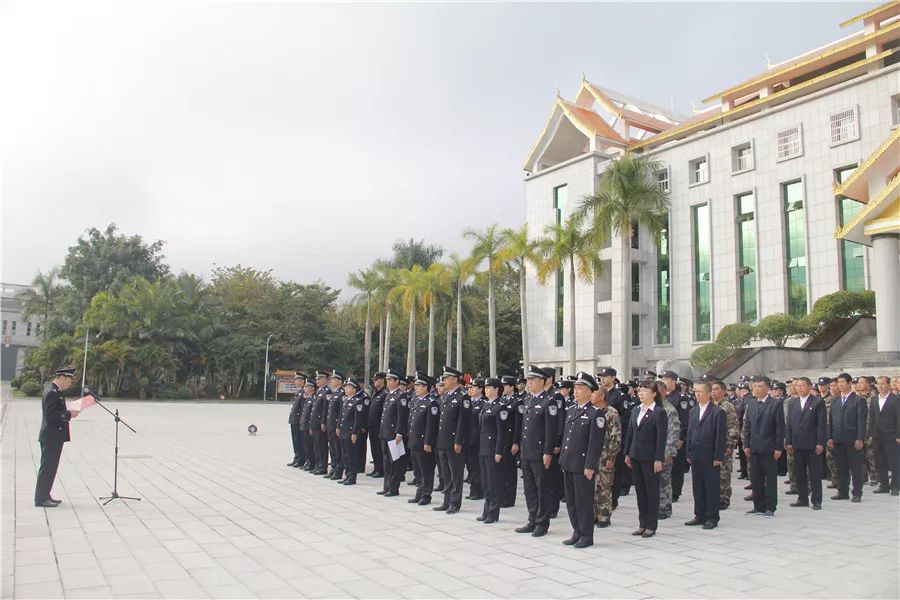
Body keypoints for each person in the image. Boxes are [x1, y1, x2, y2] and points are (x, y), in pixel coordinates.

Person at [560, 372, 606, 548]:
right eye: (575, 389)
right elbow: (567, 437)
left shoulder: (596, 414)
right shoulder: (571, 410)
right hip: (569, 462)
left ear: (589, 392)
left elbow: (595, 443)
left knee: (583, 502)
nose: (576, 392)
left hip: (583, 465)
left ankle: (587, 536)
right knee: (571, 501)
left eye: (580, 389)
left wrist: (590, 465)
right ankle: (576, 531)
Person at [516, 366, 557, 537]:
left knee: (542, 489)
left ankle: (542, 523)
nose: (529, 383)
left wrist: (547, 452)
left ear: (541, 381)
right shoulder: (528, 400)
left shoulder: (549, 401)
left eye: (532, 380)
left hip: (540, 453)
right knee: (529, 488)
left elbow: (551, 430)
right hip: (527, 451)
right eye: (529, 380)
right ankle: (532, 519)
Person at [624, 379, 667, 538]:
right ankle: (642, 523)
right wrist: (627, 452)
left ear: (654, 394)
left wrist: (658, 458)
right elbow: (630, 432)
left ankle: (651, 525)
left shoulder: (659, 412)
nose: (641, 393)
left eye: (645, 391)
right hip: (635, 456)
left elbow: (661, 438)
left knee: (651, 491)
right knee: (640, 491)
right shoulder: (636, 410)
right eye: (640, 391)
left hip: (650, 458)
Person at [35, 367, 80, 507]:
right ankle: (41, 499)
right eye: (68, 381)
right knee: (47, 467)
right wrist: (68, 415)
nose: (69, 385)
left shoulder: (56, 391)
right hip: (50, 436)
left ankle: (45, 495)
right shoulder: (52, 392)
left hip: (55, 436)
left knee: (51, 467)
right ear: (61, 377)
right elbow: (51, 415)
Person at [684, 381, 726, 529]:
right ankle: (699, 515)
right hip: (696, 454)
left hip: (710, 456)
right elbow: (689, 433)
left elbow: (720, 436)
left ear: (709, 394)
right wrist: (688, 452)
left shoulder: (717, 412)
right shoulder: (693, 411)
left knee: (711, 487)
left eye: (700, 392)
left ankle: (712, 517)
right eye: (695, 392)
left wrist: (718, 456)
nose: (697, 394)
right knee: (698, 487)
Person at [743, 375, 784, 517]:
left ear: (767, 388)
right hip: (754, 447)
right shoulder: (752, 404)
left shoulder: (775, 404)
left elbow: (779, 428)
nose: (756, 389)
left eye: (760, 386)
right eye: (755, 386)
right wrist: (746, 444)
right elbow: (747, 426)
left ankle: (770, 507)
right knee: (756, 478)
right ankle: (758, 505)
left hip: (769, 447)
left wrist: (779, 447)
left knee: (770, 479)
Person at [785, 377, 826, 510]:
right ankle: (802, 498)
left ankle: (817, 500)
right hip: (797, 444)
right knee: (799, 473)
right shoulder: (793, 403)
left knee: (814, 474)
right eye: (798, 386)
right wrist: (789, 441)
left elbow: (821, 424)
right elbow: (789, 424)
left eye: (802, 386)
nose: (799, 388)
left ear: (809, 387)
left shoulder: (817, 401)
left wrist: (820, 442)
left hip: (812, 444)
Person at [434, 366, 469, 514]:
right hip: (442, 441)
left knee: (456, 473)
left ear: (455, 379)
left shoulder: (463, 397)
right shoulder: (445, 396)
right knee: (445, 473)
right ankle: (447, 500)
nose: (444, 381)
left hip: (454, 442)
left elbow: (463, 422)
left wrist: (458, 441)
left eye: (447, 378)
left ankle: (455, 503)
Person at [829, 372, 868, 503]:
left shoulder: (858, 400)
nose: (839, 385)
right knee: (841, 467)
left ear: (850, 383)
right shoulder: (834, 401)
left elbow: (861, 421)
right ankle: (842, 491)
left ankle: (857, 493)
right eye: (838, 383)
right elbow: (831, 420)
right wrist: (830, 437)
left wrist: (860, 438)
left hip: (853, 439)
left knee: (856, 467)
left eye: (842, 382)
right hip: (838, 439)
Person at [477, 378, 509, 524]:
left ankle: (493, 513)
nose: (486, 390)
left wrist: (499, 451)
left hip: (492, 449)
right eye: (485, 387)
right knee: (485, 482)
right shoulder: (486, 406)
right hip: (483, 448)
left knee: (493, 482)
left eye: (489, 387)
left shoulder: (500, 407)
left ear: (497, 389)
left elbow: (502, 433)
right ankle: (486, 510)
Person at [591, 386, 620, 528]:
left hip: (605, 456)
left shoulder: (611, 413)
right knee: (593, 486)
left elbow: (615, 437)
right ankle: (595, 514)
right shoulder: (592, 411)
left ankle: (604, 516)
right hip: (592, 456)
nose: (591, 395)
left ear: (602, 396)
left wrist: (611, 457)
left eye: (594, 393)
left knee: (604, 486)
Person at [408, 373, 439, 505]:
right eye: (415, 385)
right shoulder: (416, 400)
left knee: (426, 470)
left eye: (418, 385)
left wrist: (427, 442)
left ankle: (426, 494)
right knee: (417, 470)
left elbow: (431, 425)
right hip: (414, 441)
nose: (416, 388)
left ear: (426, 387)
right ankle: (419, 492)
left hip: (423, 442)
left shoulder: (431, 403)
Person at [660, 371, 691, 504]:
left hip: (676, 437)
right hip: (664, 436)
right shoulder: (664, 397)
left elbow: (684, 419)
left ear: (674, 381)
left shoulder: (681, 398)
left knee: (676, 466)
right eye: (663, 379)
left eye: (667, 379)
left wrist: (681, 438)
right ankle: (666, 491)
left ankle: (675, 492)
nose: (664, 381)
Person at [378, 369, 408, 497]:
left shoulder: (400, 396)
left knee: (394, 461)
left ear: (397, 381)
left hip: (394, 434)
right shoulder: (389, 394)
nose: (388, 382)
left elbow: (402, 417)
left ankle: (394, 488)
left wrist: (399, 433)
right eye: (388, 380)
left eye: (391, 380)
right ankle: (387, 486)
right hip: (385, 432)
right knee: (386, 461)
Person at [710, 379, 739, 510]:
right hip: (711, 445)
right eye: (712, 389)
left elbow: (733, 427)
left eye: (716, 389)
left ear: (723, 391)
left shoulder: (727, 406)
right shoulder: (709, 405)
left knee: (724, 473)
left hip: (723, 444)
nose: (713, 391)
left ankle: (724, 498)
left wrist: (730, 445)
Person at [869, 376, 899, 495]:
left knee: (894, 462)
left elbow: (899, 418)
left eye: (883, 384)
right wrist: (870, 433)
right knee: (880, 462)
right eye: (878, 384)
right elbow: (871, 418)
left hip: (891, 436)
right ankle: (884, 485)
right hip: (877, 436)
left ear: (889, 385)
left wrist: (898, 435)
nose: (880, 386)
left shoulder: (895, 399)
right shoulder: (874, 399)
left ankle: (896, 486)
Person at [337, 378, 367, 485]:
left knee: (351, 455)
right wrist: (338, 427)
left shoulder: (357, 402)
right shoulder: (345, 400)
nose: (347, 389)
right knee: (345, 455)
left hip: (350, 433)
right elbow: (341, 416)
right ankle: (347, 474)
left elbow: (357, 420)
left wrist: (354, 433)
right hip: (343, 431)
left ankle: (352, 477)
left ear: (355, 389)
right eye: (346, 387)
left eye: (349, 387)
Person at [658, 379, 680, 521]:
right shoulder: (650, 408)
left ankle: (665, 508)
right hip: (651, 452)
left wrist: (669, 452)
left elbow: (673, 432)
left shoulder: (669, 410)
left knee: (664, 481)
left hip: (664, 451)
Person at [500, 375, 521, 508]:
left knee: (510, 470)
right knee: (502, 470)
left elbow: (518, 424)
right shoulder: (502, 400)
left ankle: (509, 498)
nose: (503, 388)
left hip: (510, 439)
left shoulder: (517, 402)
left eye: (505, 386)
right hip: (502, 440)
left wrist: (516, 442)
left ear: (512, 387)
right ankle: (503, 495)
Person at [465, 379, 486, 501]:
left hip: (478, 439)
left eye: (474, 388)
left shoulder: (484, 403)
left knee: (478, 466)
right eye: (470, 388)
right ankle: (473, 489)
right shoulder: (469, 402)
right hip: (468, 439)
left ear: (480, 389)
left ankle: (479, 490)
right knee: (471, 466)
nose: (471, 390)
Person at [325, 370, 345, 479]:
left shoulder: (342, 393)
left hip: (336, 425)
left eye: (334, 379)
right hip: (330, 425)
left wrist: (339, 426)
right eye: (332, 378)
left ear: (340, 381)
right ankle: (333, 467)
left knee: (338, 449)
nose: (332, 380)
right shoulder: (335, 392)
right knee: (332, 448)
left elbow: (342, 411)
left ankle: (338, 470)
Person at [367, 372, 388, 477]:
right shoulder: (376, 393)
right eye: (374, 380)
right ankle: (376, 467)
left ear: (382, 380)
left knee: (380, 450)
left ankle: (381, 470)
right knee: (374, 448)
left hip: (379, 426)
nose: (374, 382)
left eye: (376, 379)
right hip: (372, 426)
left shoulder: (385, 393)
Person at [309, 371, 330, 475]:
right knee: (316, 445)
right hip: (314, 422)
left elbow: (325, 410)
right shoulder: (318, 391)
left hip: (320, 423)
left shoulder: (327, 391)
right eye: (317, 379)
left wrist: (323, 422)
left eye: (320, 379)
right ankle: (318, 465)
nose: (317, 381)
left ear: (326, 379)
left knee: (322, 445)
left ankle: (323, 467)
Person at [287, 373, 307, 468]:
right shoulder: (299, 391)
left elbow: (303, 408)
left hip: (298, 420)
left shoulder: (304, 392)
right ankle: (297, 457)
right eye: (295, 379)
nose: (295, 381)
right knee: (295, 440)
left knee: (299, 440)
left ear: (303, 380)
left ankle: (301, 459)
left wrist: (301, 420)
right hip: (294, 419)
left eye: (297, 379)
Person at [300, 378, 317, 471]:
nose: (305, 388)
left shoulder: (313, 398)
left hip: (308, 425)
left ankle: (312, 463)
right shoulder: (308, 398)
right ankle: (308, 461)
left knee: (310, 446)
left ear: (312, 388)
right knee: (306, 445)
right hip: (304, 425)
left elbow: (312, 414)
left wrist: (310, 425)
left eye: (307, 386)